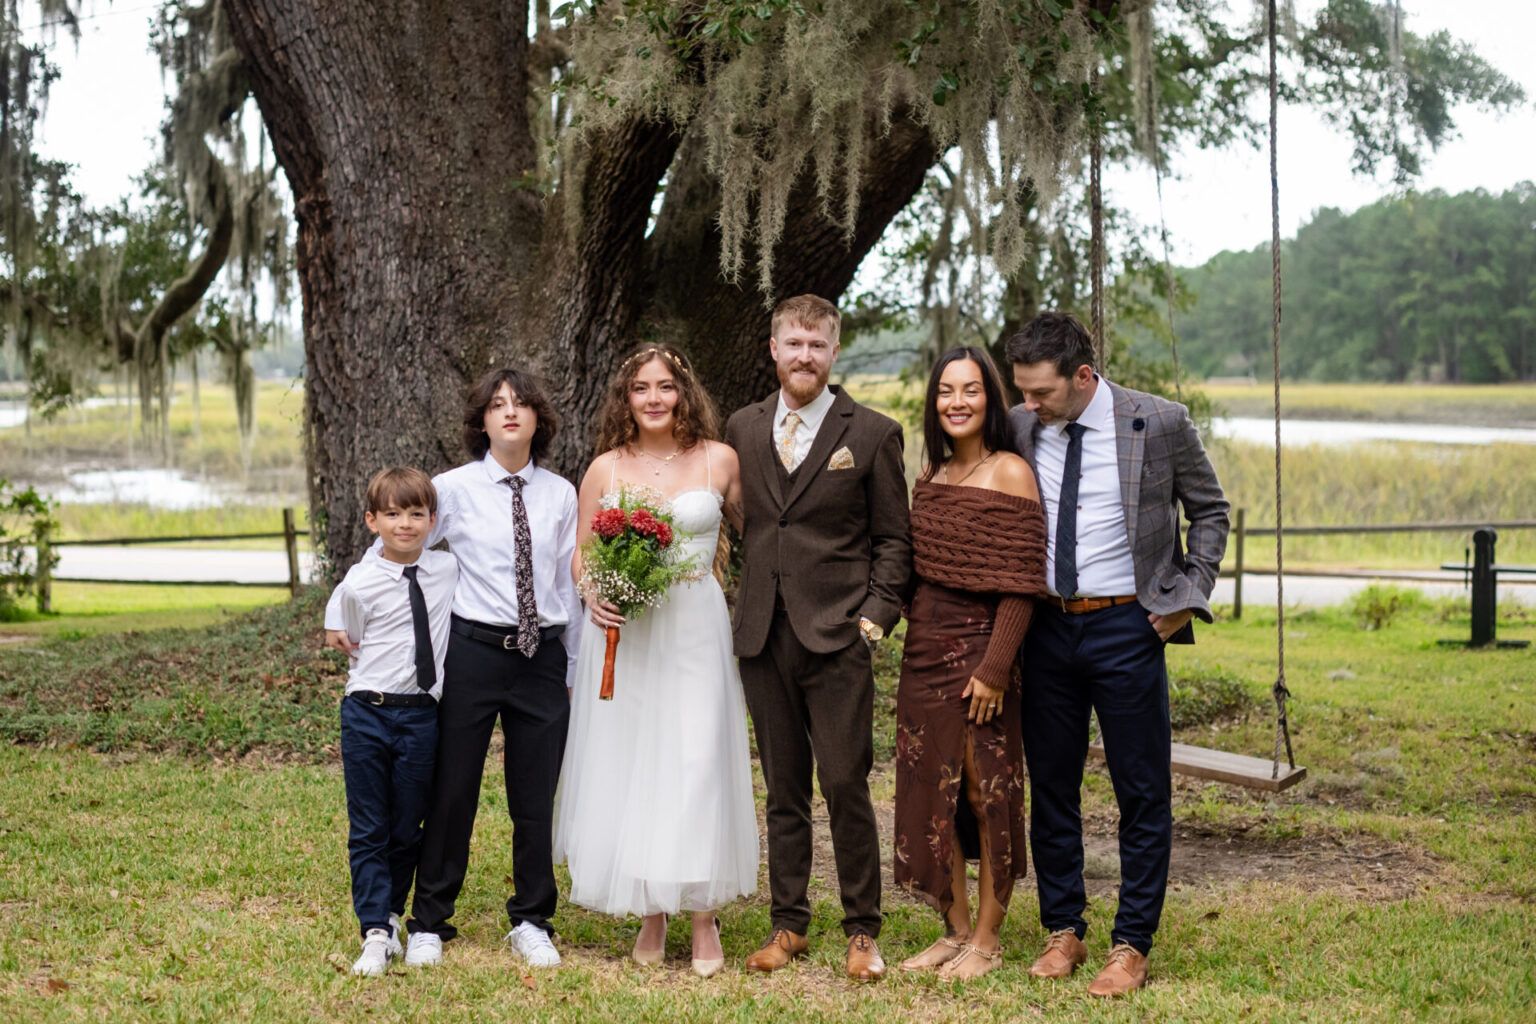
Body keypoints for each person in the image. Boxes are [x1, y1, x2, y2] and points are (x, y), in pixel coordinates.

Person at [1006, 312, 1229, 997]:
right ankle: (1063, 929)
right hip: (1045, 628)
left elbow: (1210, 511)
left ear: (1082, 376)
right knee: (1052, 785)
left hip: (1128, 627)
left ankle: (1132, 943)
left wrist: (1187, 595)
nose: (1030, 405)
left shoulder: (1159, 422)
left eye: (1042, 392)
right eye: (1022, 390)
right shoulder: (1017, 425)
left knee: (1140, 790)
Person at [553, 344, 757, 978]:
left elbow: (762, 536)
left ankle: (701, 913)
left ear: (683, 392)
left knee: (695, 761)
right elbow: (581, 553)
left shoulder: (719, 460)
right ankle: (650, 909)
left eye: (665, 386)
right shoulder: (605, 469)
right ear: (626, 398)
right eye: (640, 388)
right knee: (638, 759)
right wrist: (595, 597)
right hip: (629, 634)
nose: (653, 398)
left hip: (695, 623)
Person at [723, 294, 911, 982]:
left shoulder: (873, 432)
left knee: (844, 782)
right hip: (762, 633)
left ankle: (863, 929)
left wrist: (875, 618)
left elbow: (894, 540)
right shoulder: (740, 428)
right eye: (792, 343)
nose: (804, 356)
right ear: (773, 349)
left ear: (835, 353)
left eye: (817, 345)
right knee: (782, 789)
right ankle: (789, 924)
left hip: (838, 636)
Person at [401, 367, 583, 970]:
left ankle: (532, 918)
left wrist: (573, 666)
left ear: (538, 419)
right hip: (473, 653)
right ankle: (429, 919)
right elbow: (408, 559)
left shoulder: (560, 493)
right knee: (453, 791)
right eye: (497, 405)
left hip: (542, 656)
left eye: (522, 404)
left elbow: (565, 583)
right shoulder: (448, 489)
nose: (510, 413)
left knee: (535, 798)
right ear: (481, 420)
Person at [893, 348, 1047, 981]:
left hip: (985, 653)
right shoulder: (928, 476)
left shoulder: (1010, 471)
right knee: (933, 788)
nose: (957, 402)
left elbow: (1022, 583)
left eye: (972, 390)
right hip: (924, 652)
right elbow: (912, 569)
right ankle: (954, 930)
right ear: (934, 402)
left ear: (991, 401)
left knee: (986, 790)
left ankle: (988, 938)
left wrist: (994, 667)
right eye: (946, 391)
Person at [323, 467, 459, 976]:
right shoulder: (358, 584)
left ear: (432, 520)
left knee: (407, 826)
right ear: (372, 521)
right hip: (367, 712)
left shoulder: (447, 569)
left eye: (416, 513)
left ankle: (393, 913)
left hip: (421, 716)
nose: (405, 524)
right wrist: (334, 614)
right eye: (393, 514)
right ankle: (375, 930)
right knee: (370, 826)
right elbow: (350, 633)